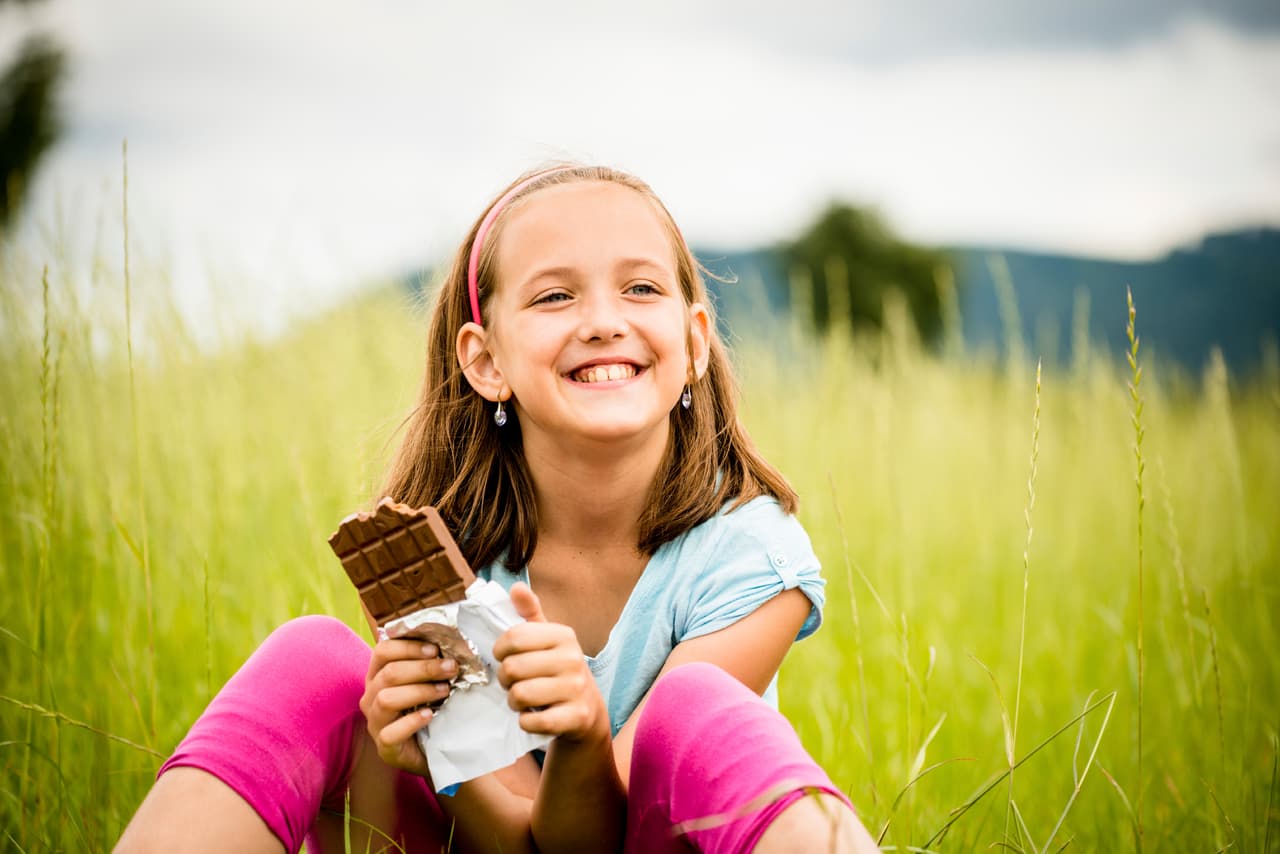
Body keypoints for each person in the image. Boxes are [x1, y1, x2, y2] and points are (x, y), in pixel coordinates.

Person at [116, 165, 880, 853]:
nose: (604, 320)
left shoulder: (752, 557)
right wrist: (435, 755)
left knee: (698, 706)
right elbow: (520, 847)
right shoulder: (434, 568)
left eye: (641, 288)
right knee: (313, 659)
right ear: (485, 362)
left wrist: (583, 737)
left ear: (695, 340)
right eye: (555, 296)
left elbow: (597, 847)